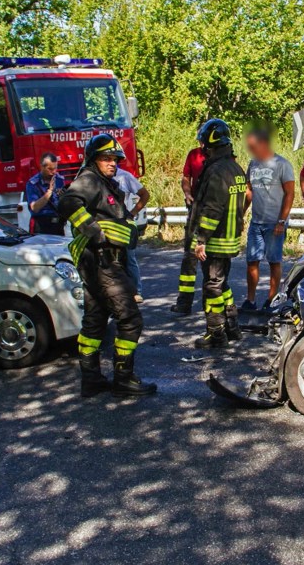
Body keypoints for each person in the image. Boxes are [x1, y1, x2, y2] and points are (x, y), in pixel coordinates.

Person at [58, 134, 157, 397]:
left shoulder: (103, 183)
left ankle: (91, 379)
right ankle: (124, 379)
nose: (112, 163)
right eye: (106, 158)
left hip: (101, 261)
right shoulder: (89, 180)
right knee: (130, 318)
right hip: (102, 261)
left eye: (115, 159)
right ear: (93, 159)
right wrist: (94, 232)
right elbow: (68, 202)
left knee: (95, 320)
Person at [189, 119, 247, 349]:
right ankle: (232, 328)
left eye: (203, 143)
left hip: (216, 240)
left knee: (212, 286)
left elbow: (212, 208)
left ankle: (216, 334)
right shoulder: (235, 168)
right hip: (230, 238)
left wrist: (201, 239)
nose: (202, 147)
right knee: (222, 285)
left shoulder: (216, 171)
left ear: (209, 143)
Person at [241, 127, 295, 313]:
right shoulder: (253, 164)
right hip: (256, 222)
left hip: (275, 223)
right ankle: (250, 300)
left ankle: (272, 301)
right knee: (252, 261)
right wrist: (242, 213)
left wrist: (282, 221)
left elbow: (290, 193)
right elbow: (249, 191)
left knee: (274, 261)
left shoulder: (282, 164)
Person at [170, 145, 207, 315]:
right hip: (194, 210)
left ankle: (210, 302)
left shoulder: (222, 156)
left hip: (211, 210)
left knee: (210, 261)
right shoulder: (194, 154)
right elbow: (186, 177)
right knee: (189, 259)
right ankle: (184, 303)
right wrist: (187, 193)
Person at [112, 165, 151, 303]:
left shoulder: (124, 176)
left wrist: (132, 214)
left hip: (123, 224)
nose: (111, 164)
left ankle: (136, 291)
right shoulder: (93, 177)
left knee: (129, 258)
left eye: (113, 160)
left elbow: (145, 195)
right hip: (106, 225)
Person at [24, 153, 66, 235]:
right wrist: (49, 192)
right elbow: (34, 208)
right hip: (40, 224)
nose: (53, 172)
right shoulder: (33, 183)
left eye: (55, 168)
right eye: (50, 169)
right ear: (41, 167)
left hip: (57, 224)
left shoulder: (59, 179)